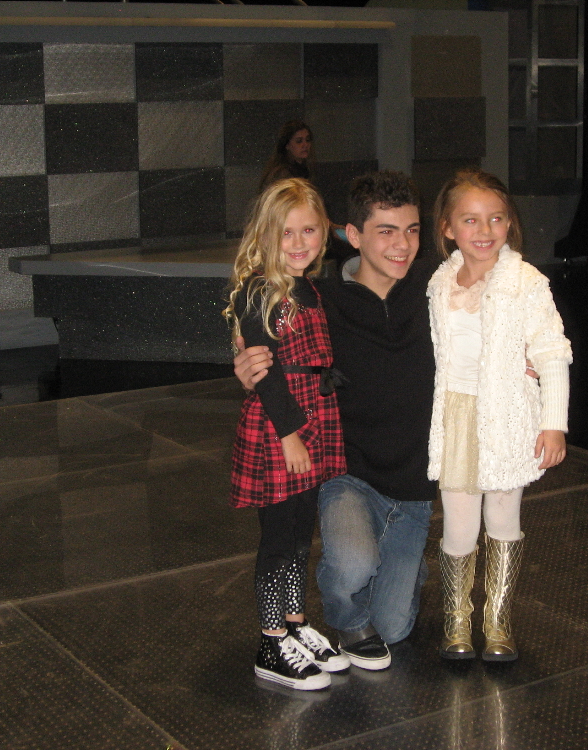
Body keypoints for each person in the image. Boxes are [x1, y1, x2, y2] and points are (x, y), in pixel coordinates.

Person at [234, 171, 435, 671]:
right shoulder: (318, 296)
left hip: (409, 484)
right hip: (333, 464)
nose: (401, 244)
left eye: (411, 230)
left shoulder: (435, 290)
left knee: (390, 625)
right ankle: (275, 635)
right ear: (353, 234)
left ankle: (301, 623)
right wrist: (252, 377)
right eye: (385, 231)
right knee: (288, 543)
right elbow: (265, 349)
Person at [427, 169, 572, 662]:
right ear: (448, 228)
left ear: (509, 224)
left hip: (506, 418)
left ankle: (497, 621)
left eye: (495, 219)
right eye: (470, 220)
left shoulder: (525, 282)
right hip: (456, 417)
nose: (483, 230)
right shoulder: (440, 281)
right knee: (458, 525)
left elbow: (552, 351)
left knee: (503, 518)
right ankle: (456, 621)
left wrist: (554, 422)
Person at [223, 178, 350, 691]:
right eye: (287, 234)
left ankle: (296, 624)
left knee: (301, 536)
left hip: (314, 417)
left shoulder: (312, 288)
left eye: (310, 231)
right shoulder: (259, 290)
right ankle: (270, 641)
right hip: (282, 426)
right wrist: (290, 434)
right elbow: (267, 375)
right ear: (266, 236)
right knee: (277, 539)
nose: (299, 244)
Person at [259, 120, 313, 193]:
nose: (305, 145)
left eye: (307, 140)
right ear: (287, 145)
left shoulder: (306, 169)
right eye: (299, 141)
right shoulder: (281, 174)